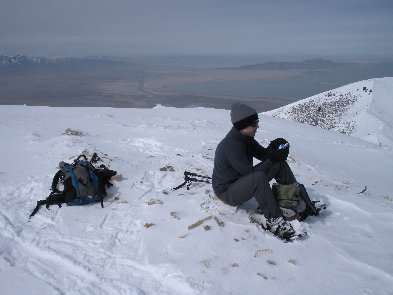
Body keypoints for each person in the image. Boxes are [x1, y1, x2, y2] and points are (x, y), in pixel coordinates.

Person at [212, 103, 299, 239]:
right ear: (243, 126)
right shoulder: (232, 146)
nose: (257, 126)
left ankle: (292, 199)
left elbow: (264, 155)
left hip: (240, 182)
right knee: (258, 177)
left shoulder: (246, 139)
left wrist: (274, 149)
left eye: (257, 122)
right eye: (254, 124)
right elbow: (250, 173)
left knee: (278, 163)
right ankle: (274, 219)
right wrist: (272, 157)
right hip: (227, 192)